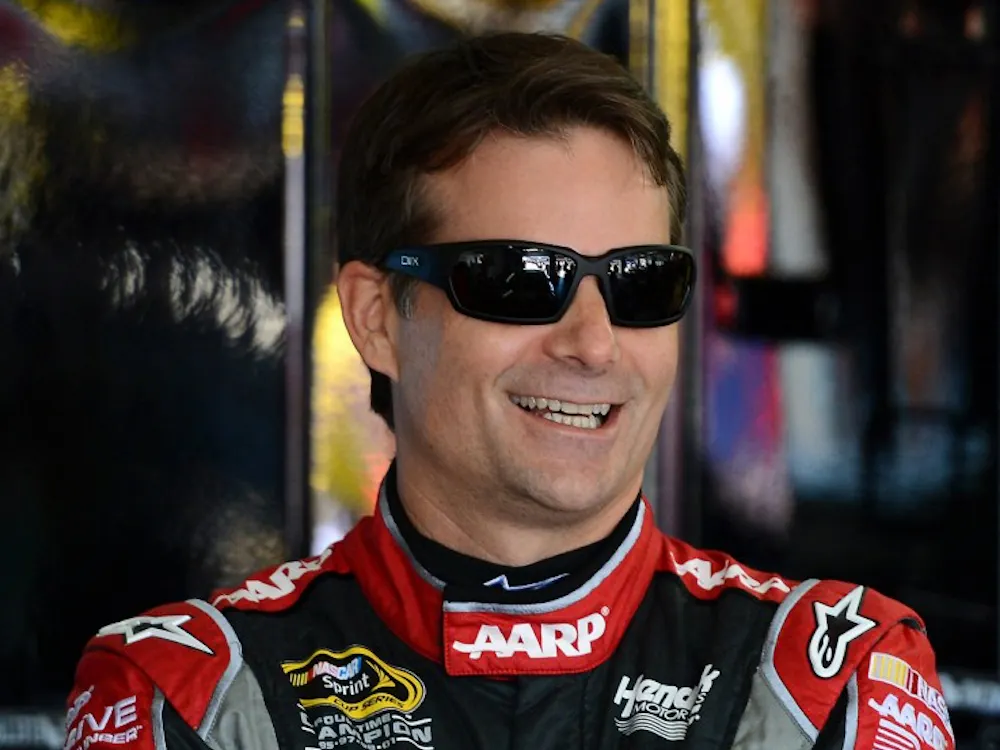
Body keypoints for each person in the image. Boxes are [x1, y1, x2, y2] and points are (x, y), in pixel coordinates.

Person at [65, 32, 953, 750]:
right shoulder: (184, 697)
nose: (594, 344)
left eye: (642, 282)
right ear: (377, 317)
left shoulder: (833, 681)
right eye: (522, 279)